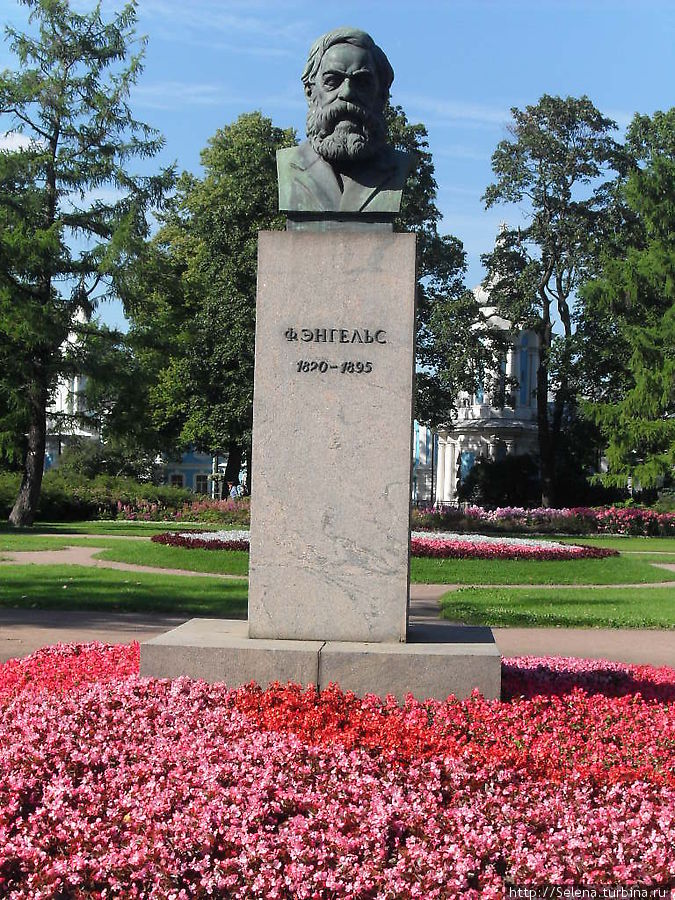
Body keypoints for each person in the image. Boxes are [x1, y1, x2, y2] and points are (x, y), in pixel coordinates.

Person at [277, 27, 413, 215]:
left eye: (363, 82)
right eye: (333, 81)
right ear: (310, 93)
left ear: (381, 95)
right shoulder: (289, 165)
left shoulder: (397, 165)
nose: (347, 93)